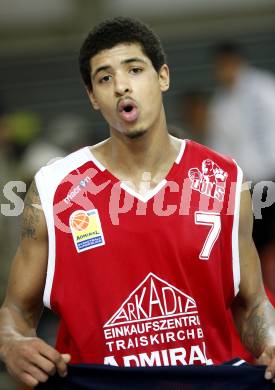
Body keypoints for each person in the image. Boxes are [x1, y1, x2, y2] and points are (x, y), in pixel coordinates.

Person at [0, 17, 275, 388]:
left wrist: (271, 341)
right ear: (93, 98)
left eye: (134, 69)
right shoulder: (52, 189)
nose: (122, 86)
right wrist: (12, 342)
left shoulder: (225, 179)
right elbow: (17, 309)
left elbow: (252, 302)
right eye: (105, 78)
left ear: (162, 77)